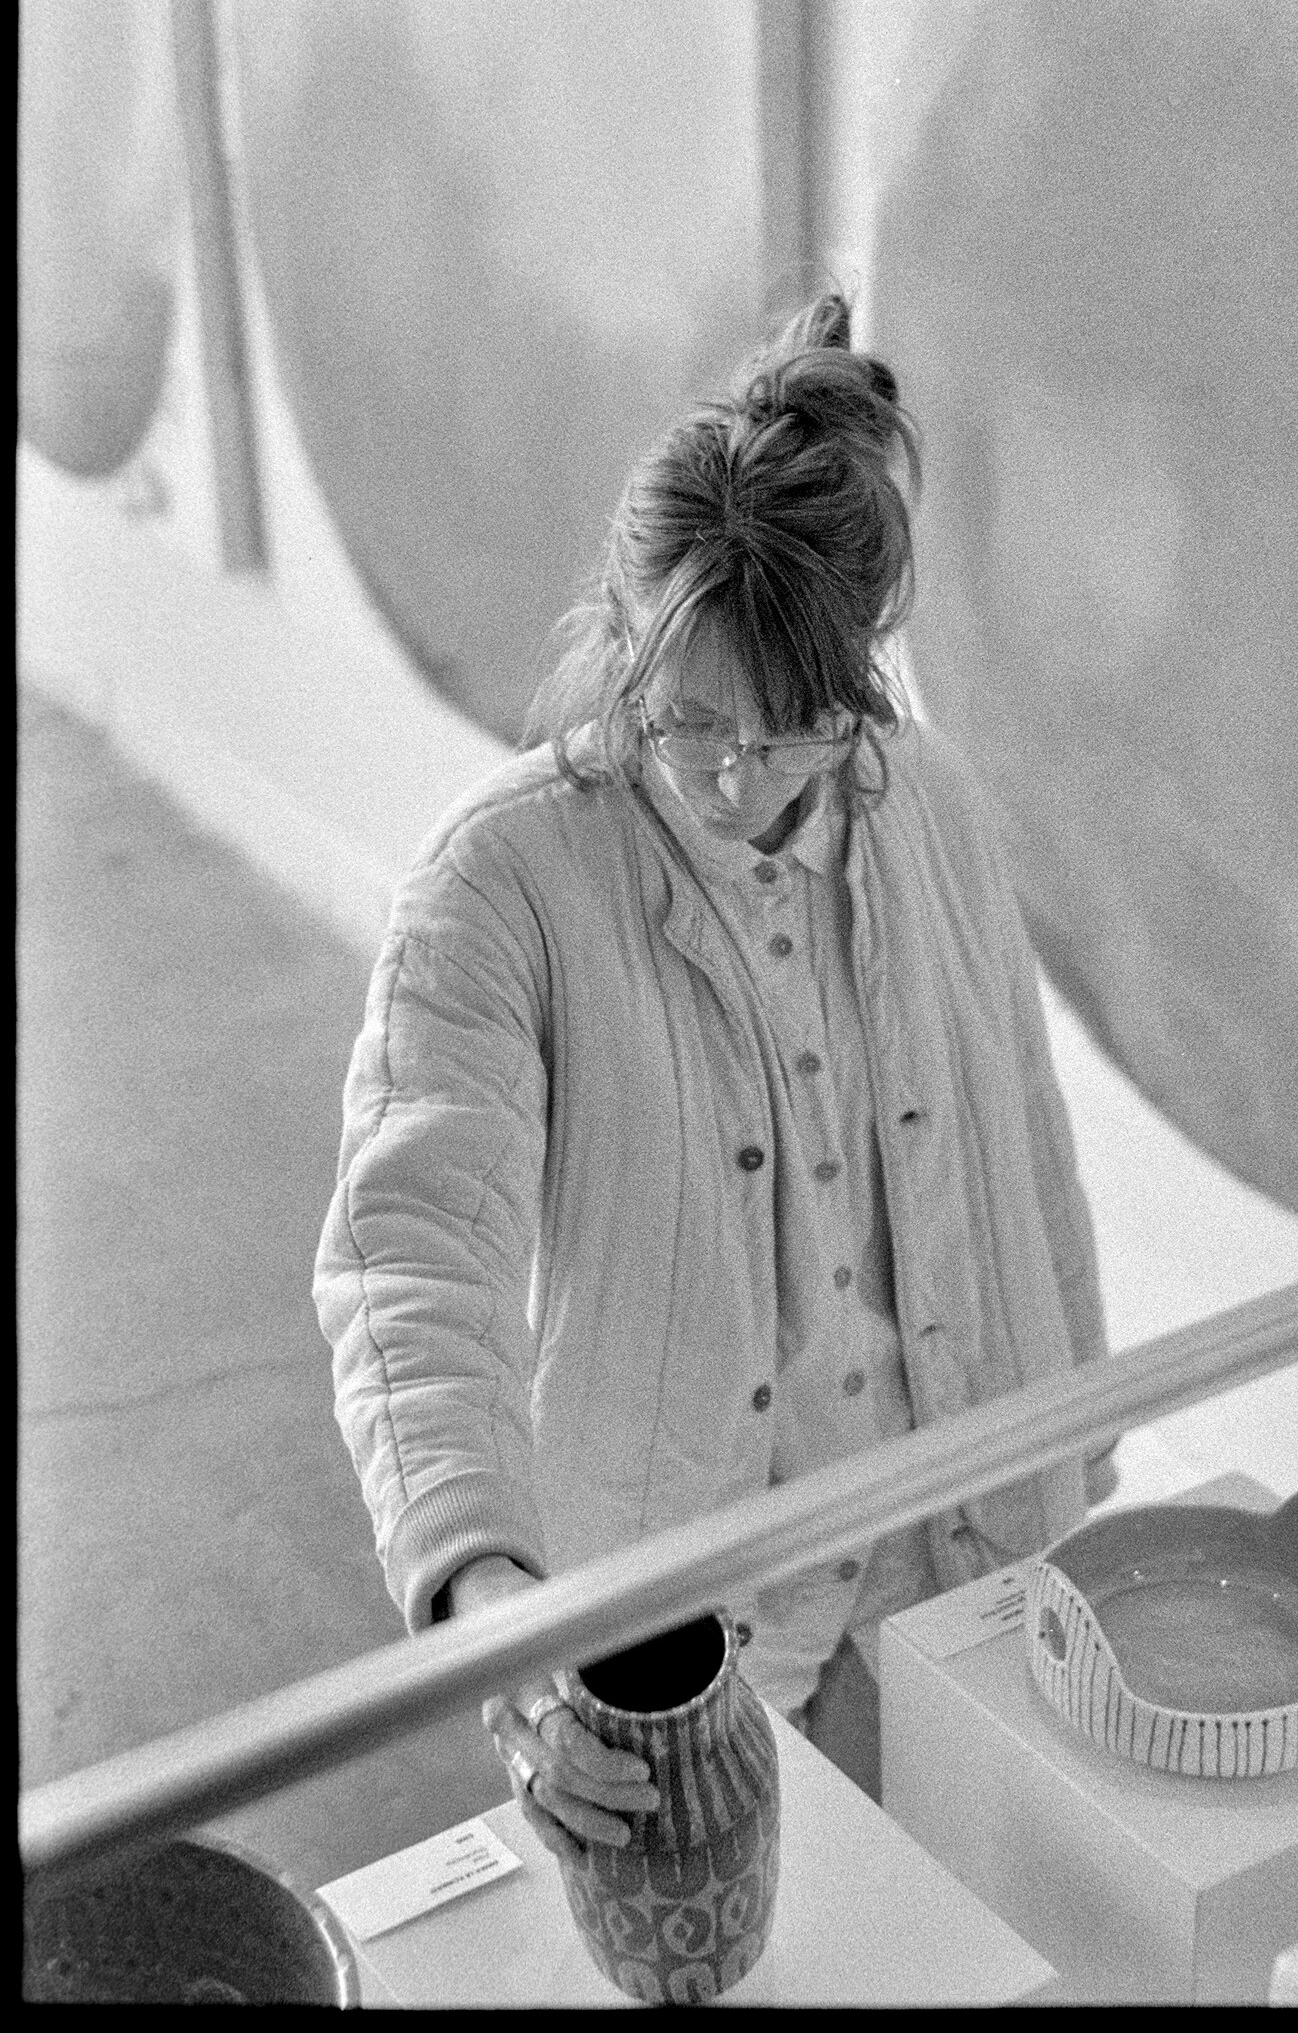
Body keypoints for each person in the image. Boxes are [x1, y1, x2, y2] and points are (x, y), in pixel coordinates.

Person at [314, 290, 1117, 1857]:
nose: (740, 777)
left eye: (798, 729)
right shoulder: (499, 887)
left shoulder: (934, 810)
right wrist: (497, 1614)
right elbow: (412, 1264)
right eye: (691, 724)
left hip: (973, 1588)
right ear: (624, 641)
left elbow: (1032, 1147)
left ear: (868, 674)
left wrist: (1088, 1481)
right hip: (688, 1647)